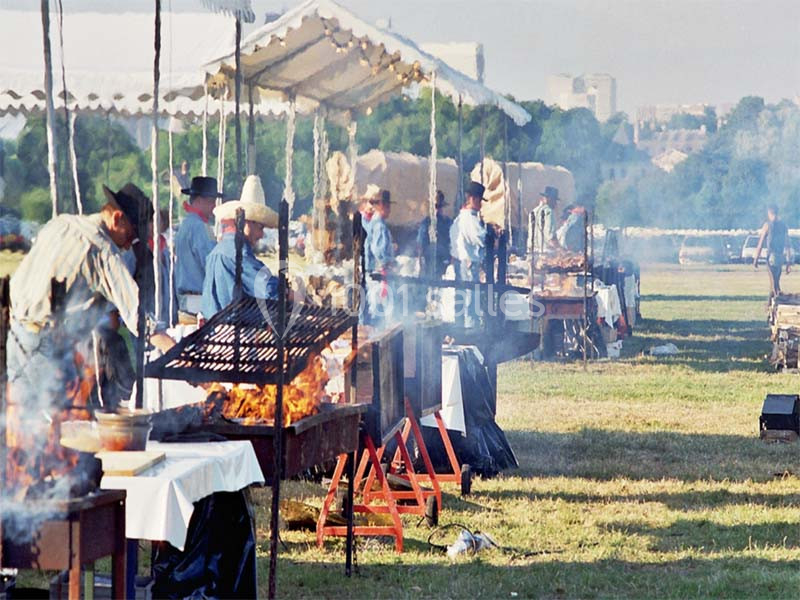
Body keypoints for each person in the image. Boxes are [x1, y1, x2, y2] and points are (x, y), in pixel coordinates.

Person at [8, 182, 174, 415]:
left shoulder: (60, 223)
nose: (130, 244)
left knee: (22, 423)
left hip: (14, 332)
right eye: (132, 234)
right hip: (43, 344)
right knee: (64, 424)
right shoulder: (102, 250)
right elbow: (140, 321)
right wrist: (181, 357)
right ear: (117, 219)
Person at [201, 175, 279, 318]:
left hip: (214, 327)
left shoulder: (220, 249)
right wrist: (288, 292)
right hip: (233, 330)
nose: (261, 235)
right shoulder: (237, 252)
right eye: (260, 227)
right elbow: (267, 288)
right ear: (247, 223)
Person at [175, 176, 221, 316]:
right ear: (199, 200)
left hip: (186, 299)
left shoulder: (185, 225)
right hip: (199, 301)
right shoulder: (201, 227)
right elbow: (211, 264)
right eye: (211, 202)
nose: (214, 206)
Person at [450, 181, 487, 328]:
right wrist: (492, 233)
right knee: (471, 300)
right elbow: (481, 238)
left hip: (461, 262)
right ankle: (471, 330)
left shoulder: (459, 219)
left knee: (462, 299)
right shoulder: (469, 219)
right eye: (479, 200)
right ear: (472, 199)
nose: (480, 204)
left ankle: (461, 328)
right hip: (469, 263)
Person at [364, 188, 394, 326]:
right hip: (378, 273)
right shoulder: (379, 226)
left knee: (377, 306)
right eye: (388, 206)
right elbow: (378, 250)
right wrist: (386, 262)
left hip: (375, 272)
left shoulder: (374, 223)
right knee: (382, 308)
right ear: (383, 206)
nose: (389, 210)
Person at [754, 204, 791, 297]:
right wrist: (788, 262)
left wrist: (756, 259)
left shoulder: (767, 225)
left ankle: (776, 303)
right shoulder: (783, 226)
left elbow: (760, 243)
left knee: (774, 284)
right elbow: (787, 245)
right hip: (780, 257)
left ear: (769, 213)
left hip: (771, 257)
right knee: (776, 282)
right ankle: (773, 303)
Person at [417, 190, 453, 278]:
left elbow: (452, 242)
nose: (437, 210)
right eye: (435, 207)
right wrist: (421, 261)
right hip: (429, 260)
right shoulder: (425, 223)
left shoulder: (447, 223)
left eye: (439, 207)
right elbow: (420, 244)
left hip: (444, 260)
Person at [530, 186, 559, 256]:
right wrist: (560, 250)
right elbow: (550, 238)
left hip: (533, 252)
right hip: (546, 254)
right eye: (555, 200)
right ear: (550, 199)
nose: (556, 203)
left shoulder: (533, 211)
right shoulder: (549, 212)